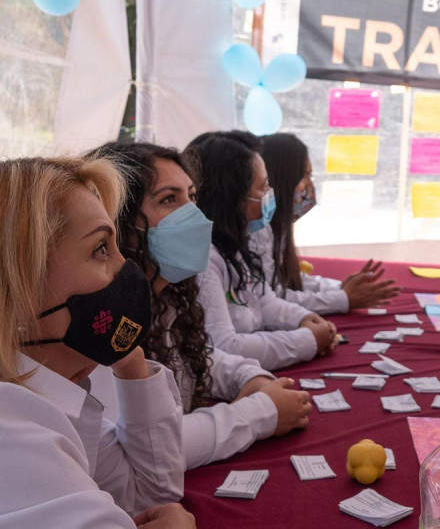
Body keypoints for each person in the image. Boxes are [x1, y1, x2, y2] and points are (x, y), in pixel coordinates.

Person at [91, 142, 313, 469]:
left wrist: (250, 378)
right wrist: (260, 412)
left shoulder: (167, 297)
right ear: (119, 219)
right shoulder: (97, 320)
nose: (194, 215)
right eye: (169, 199)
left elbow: (199, 357)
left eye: (192, 197)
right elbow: (141, 449)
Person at [0, 156, 194, 528]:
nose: (126, 267)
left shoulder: (53, 384)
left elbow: (149, 496)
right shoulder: (13, 434)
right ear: (21, 281)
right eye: (101, 249)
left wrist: (131, 362)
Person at [185, 131, 338, 368]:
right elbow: (224, 346)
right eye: (263, 187)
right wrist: (306, 340)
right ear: (233, 196)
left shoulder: (237, 242)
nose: (269, 194)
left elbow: (262, 299)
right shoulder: (205, 259)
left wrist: (304, 318)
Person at [257, 133, 400, 313]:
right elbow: (271, 299)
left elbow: (287, 281)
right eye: (304, 176)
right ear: (281, 178)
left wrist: (341, 288)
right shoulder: (258, 231)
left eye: (311, 176)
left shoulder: (277, 227)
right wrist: (343, 298)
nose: (310, 186)